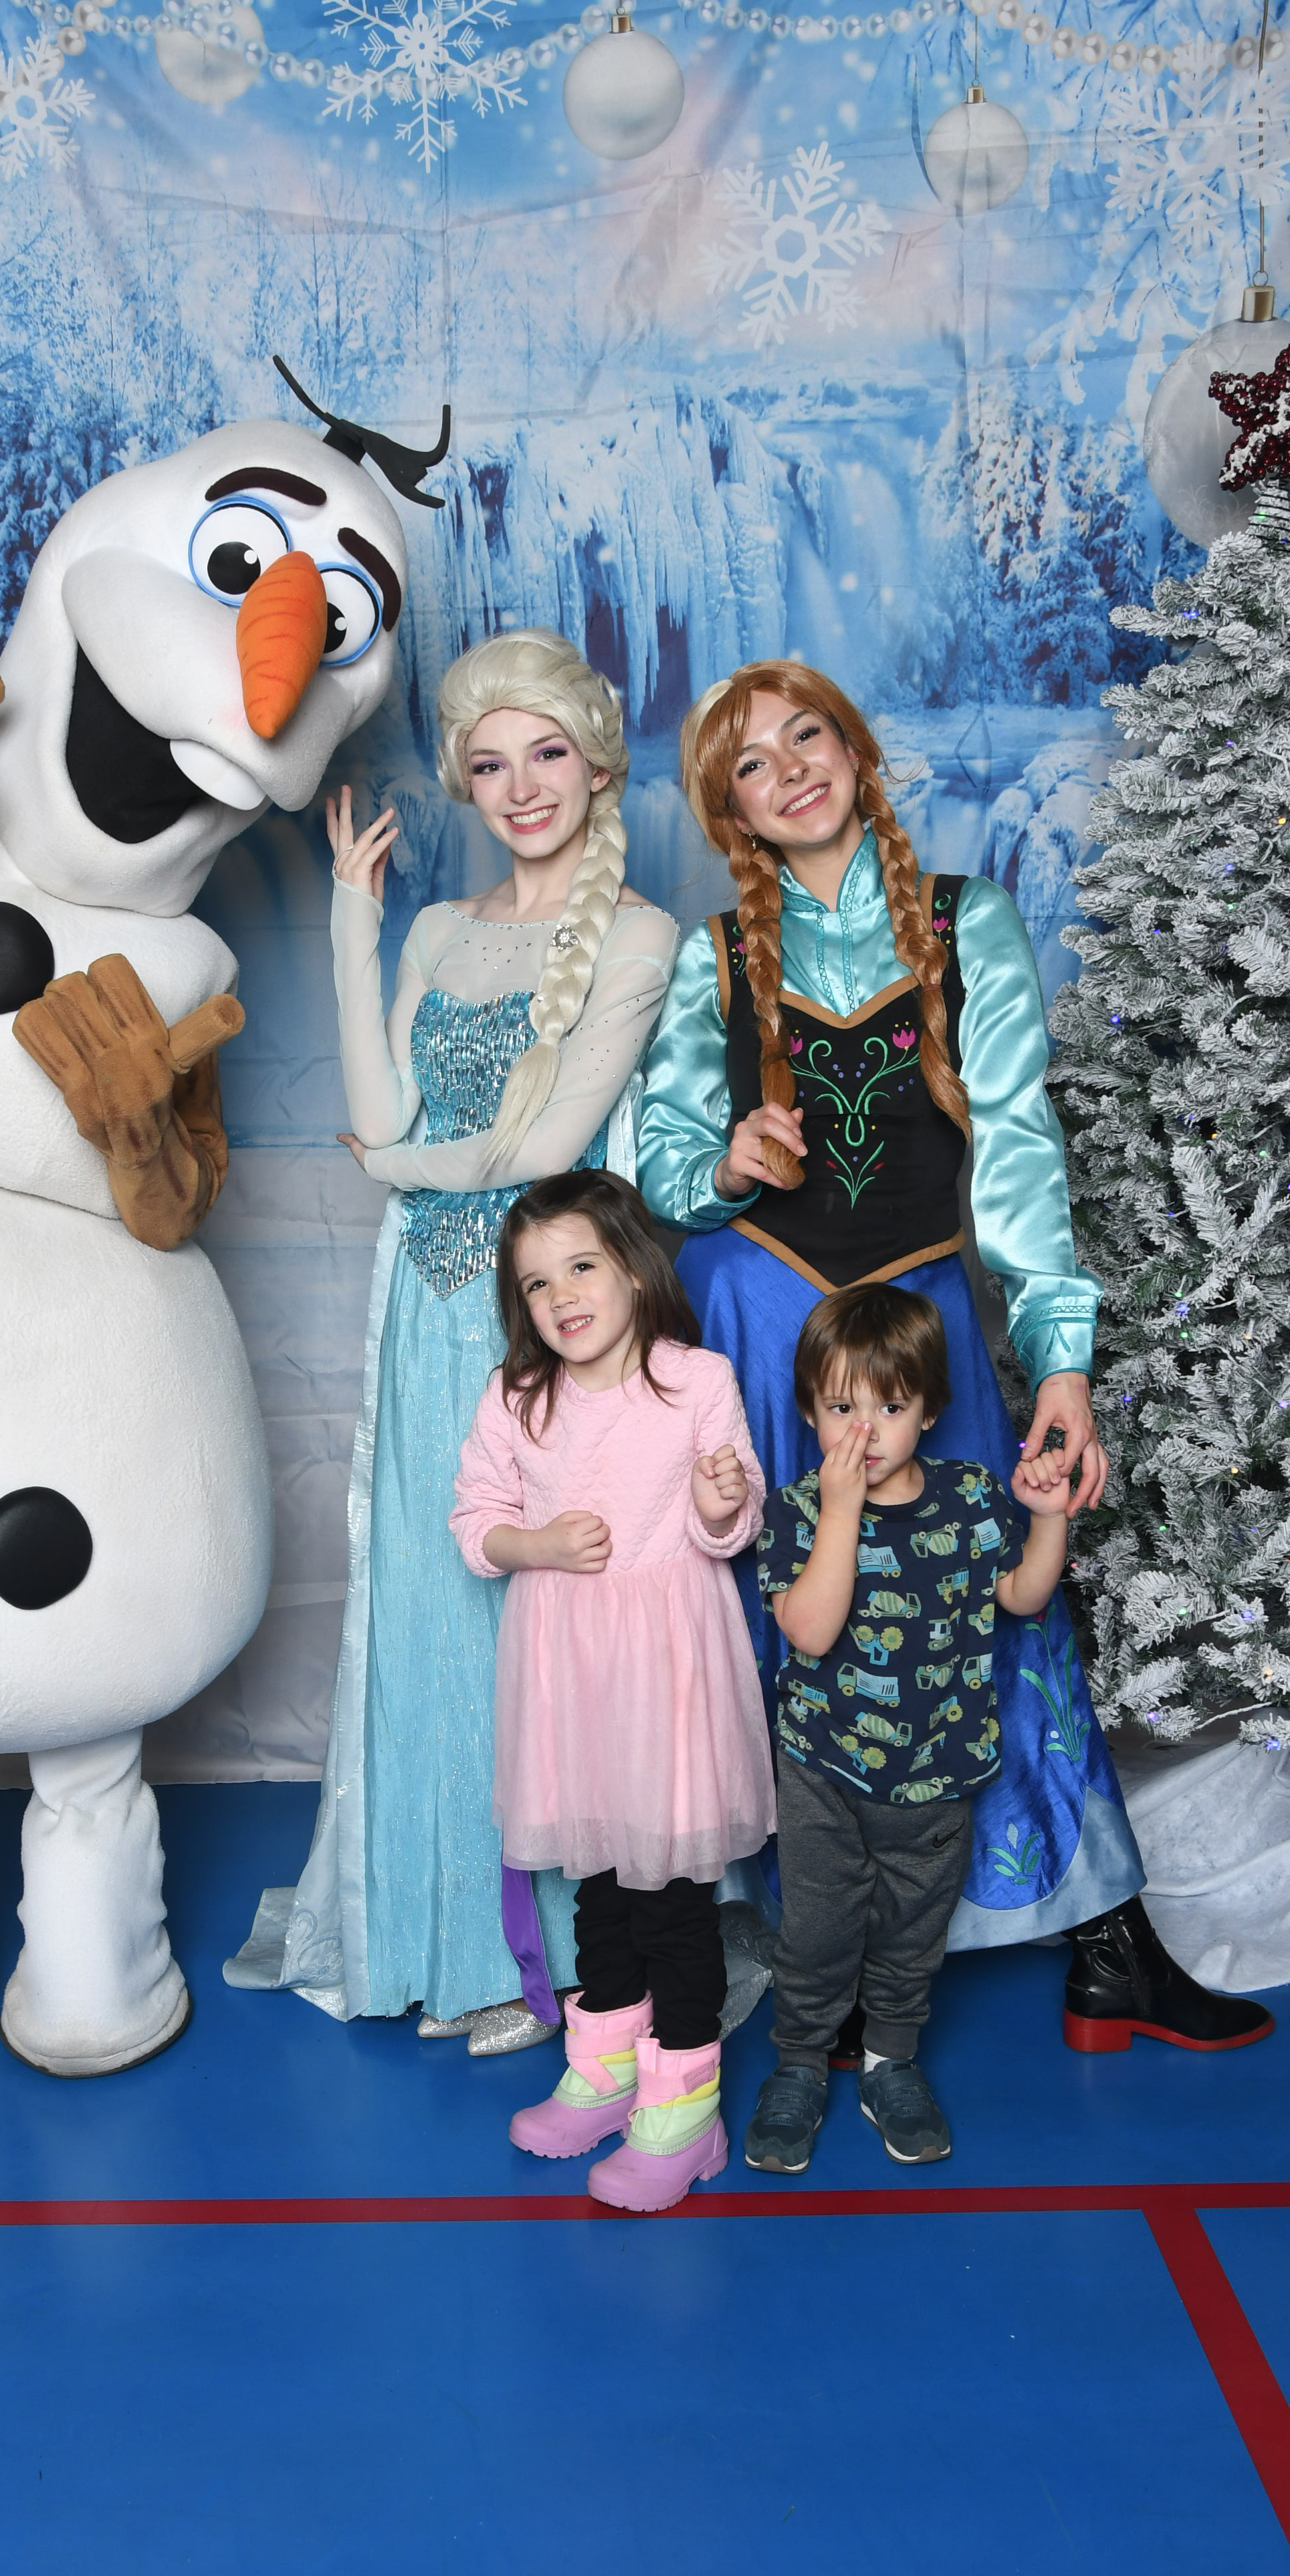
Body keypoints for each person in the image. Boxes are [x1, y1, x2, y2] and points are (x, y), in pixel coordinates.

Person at [637, 661, 1272, 2055]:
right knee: (797, 1613)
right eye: (753, 764)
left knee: (1000, 1606)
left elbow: (1022, 1154)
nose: (792, 769)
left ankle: (1106, 1939)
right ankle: (825, 1947)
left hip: (925, 1325)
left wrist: (1062, 1362)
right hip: (764, 1329)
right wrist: (727, 1159)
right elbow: (658, 1162)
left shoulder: (964, 923)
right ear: (733, 813)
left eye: (810, 735)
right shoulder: (713, 956)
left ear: (859, 751)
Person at [225, 634, 677, 2051]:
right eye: (489, 763)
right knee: (426, 1607)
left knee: (531, 1625)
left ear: (596, 762)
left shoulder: (641, 934)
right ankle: (431, 1931)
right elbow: (377, 1107)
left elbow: (542, 1153)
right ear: (464, 786)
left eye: (546, 752)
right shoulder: (435, 928)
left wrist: (393, 1167)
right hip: (423, 1312)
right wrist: (353, 927)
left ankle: (538, 1959)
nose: (520, 785)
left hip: (540, 1319)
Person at [450, 1171, 774, 2209]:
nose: (562, 1296)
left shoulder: (696, 1380)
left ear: (634, 1267)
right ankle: (607, 2069)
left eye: (581, 1266)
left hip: (667, 1677)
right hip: (571, 1679)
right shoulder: (517, 1396)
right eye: (537, 1283)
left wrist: (721, 1502)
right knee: (597, 1877)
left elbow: (733, 1524)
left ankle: (686, 2106)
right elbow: (476, 1519)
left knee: (670, 1896)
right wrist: (536, 1543)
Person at [745, 1285, 1072, 2174]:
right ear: (809, 1411)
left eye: (890, 1407)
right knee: (817, 1930)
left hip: (937, 1773)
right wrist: (843, 1510)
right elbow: (812, 1631)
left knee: (911, 1933)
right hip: (824, 1769)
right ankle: (800, 2063)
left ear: (929, 1410)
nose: (866, 1431)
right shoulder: (799, 1510)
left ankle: (890, 2060)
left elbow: (1023, 1597)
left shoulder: (969, 1498)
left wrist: (1048, 1515)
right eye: (841, 1408)